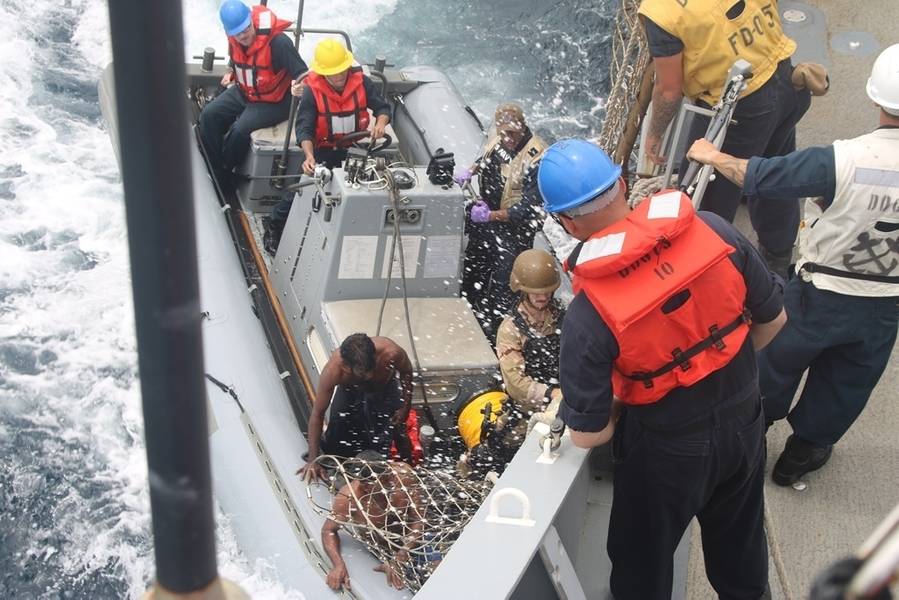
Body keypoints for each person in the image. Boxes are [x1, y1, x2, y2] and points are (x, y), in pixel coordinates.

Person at [539, 138, 786, 600]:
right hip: (744, 421)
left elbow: (588, 434)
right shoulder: (716, 231)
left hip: (665, 450)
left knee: (641, 568)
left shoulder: (589, 316)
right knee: (742, 557)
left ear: (568, 224)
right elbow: (774, 320)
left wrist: (617, 405)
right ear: (624, 184)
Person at [685, 44, 899, 486]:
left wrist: (712, 155)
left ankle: (752, 435)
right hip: (885, 302)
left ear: (876, 98)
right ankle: (799, 458)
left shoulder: (841, 160)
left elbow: (762, 177)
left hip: (821, 291)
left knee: (776, 362)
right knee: (849, 382)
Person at [637, 0, 818, 276]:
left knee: (707, 202)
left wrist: (654, 133)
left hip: (740, 110)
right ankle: (778, 258)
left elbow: (669, 89)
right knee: (773, 168)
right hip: (786, 80)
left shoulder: (663, 12)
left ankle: (715, 273)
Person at [264, 38, 391, 254]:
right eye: (333, 72)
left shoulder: (362, 83)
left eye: (342, 70)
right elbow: (304, 128)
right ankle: (274, 222)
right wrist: (309, 156)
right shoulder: (312, 92)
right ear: (323, 73)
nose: (339, 76)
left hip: (353, 148)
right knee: (300, 189)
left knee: (367, 187)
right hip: (322, 150)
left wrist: (380, 122)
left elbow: (382, 107)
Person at [455, 103, 548, 339]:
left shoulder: (535, 157)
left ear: (522, 127)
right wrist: (471, 170)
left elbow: (525, 209)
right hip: (487, 219)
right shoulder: (498, 138)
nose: (508, 138)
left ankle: (495, 330)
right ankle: (468, 308)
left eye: (512, 133)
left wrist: (490, 216)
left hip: (513, 231)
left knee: (503, 285)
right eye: (504, 133)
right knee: (474, 266)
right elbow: (484, 157)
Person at [198, 1, 307, 186]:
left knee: (240, 130)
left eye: (246, 29)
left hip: (275, 101)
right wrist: (231, 70)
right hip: (244, 92)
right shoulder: (234, 38)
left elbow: (302, 73)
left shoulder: (279, 42)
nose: (243, 36)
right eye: (237, 33)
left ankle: (225, 169)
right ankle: (212, 164)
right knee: (209, 114)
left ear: (252, 21)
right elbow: (238, 58)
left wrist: (301, 86)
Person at [298, 333, 413, 482]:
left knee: (393, 430)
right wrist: (312, 460)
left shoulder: (391, 353)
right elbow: (318, 414)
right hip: (350, 391)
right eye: (364, 372)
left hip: (385, 389)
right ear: (346, 367)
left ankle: (410, 468)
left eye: (373, 367)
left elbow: (407, 372)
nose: (371, 375)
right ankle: (343, 465)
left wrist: (406, 406)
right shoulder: (334, 371)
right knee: (338, 427)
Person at [320, 452, 429, 591]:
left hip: (415, 543)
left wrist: (403, 553)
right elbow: (328, 530)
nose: (391, 482)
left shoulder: (403, 474)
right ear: (366, 486)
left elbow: (420, 517)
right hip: (382, 552)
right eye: (384, 481)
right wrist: (338, 565)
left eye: (389, 475)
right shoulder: (349, 499)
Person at [495, 249, 565, 415]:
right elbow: (515, 384)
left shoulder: (562, 316)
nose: (542, 296)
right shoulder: (510, 329)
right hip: (528, 410)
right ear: (522, 290)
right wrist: (550, 393)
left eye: (547, 290)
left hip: (565, 399)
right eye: (535, 292)